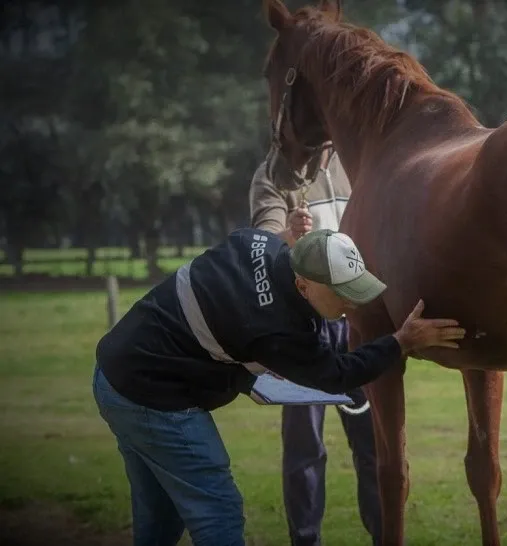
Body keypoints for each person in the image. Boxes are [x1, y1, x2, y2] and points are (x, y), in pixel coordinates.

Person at [92, 227, 465, 546]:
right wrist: (402, 341)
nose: (351, 305)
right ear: (302, 284)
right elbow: (338, 374)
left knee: (161, 518)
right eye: (342, 294)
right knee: (217, 511)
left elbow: (234, 285)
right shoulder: (279, 328)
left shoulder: (257, 241)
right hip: (151, 395)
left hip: (116, 370)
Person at [249, 145, 382, 546]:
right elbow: (262, 242)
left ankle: (385, 534)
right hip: (303, 327)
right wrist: (287, 234)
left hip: (359, 320)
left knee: (376, 444)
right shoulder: (273, 175)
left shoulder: (359, 161)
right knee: (305, 448)